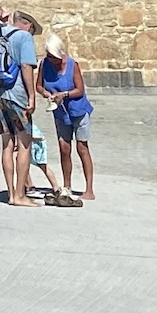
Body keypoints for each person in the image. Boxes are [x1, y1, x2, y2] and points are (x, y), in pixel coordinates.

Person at [0, 10, 40, 208]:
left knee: (7, 145)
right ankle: (20, 195)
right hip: (17, 97)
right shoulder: (24, 37)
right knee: (25, 143)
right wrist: (32, 95)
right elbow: (27, 67)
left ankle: (11, 193)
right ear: (27, 24)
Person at [42, 32, 95, 199]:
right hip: (59, 111)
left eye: (52, 56)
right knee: (64, 148)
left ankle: (89, 189)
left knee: (82, 147)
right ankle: (67, 186)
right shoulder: (44, 64)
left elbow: (80, 90)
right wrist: (47, 94)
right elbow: (39, 86)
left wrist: (64, 94)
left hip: (78, 109)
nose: (50, 59)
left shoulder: (73, 65)